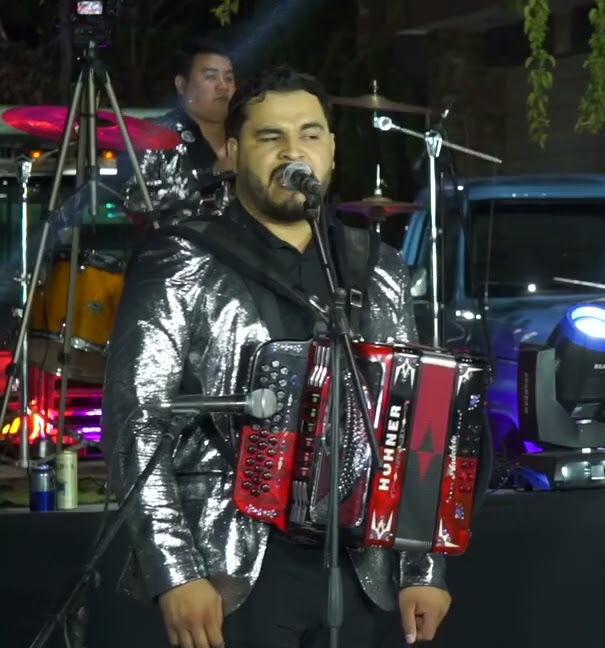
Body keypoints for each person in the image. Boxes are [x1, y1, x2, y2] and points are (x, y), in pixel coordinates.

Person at [102, 66, 451, 648]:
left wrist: (424, 569)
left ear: (332, 149)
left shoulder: (376, 266)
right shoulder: (183, 259)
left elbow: (416, 420)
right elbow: (136, 419)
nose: (294, 151)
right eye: (271, 137)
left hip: (361, 567)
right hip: (231, 569)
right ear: (235, 151)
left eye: (310, 134)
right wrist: (174, 571)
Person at [123, 37, 236, 224]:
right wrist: (211, 175)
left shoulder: (245, 133)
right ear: (182, 85)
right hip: (178, 240)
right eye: (211, 77)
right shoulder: (157, 135)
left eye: (229, 78)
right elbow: (134, 200)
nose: (223, 86)